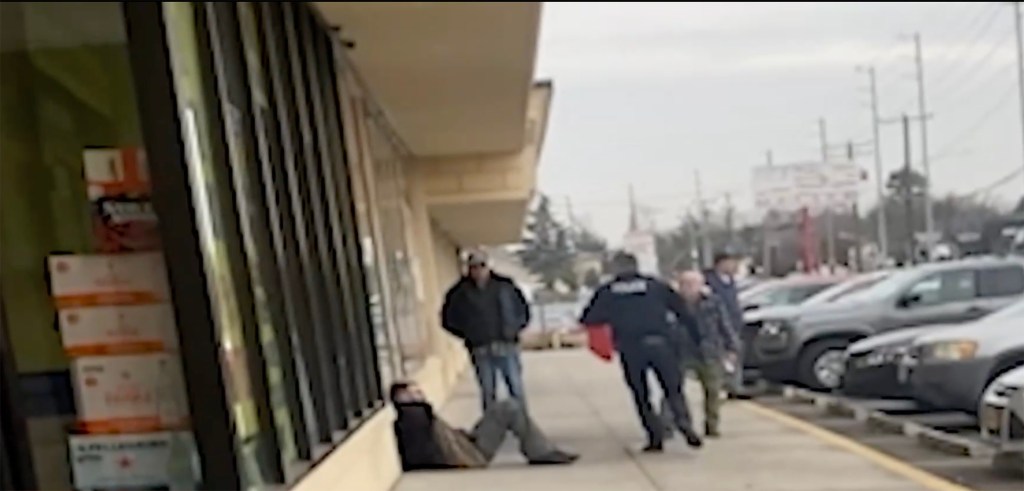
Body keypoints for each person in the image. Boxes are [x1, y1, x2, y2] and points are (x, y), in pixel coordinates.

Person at [579, 252, 704, 452]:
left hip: (630, 348)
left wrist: (614, 319)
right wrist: (697, 340)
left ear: (616, 268)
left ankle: (654, 436)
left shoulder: (607, 291)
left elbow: (589, 318)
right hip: (661, 343)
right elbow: (683, 312)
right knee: (673, 389)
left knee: (640, 394)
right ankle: (684, 424)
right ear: (636, 266)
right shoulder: (655, 286)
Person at [390, 381, 578, 470]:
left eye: (419, 391)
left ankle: (542, 450)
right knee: (508, 408)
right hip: (471, 454)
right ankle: (541, 452)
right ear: (401, 399)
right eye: (412, 393)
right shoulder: (414, 416)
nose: (420, 395)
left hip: (466, 444)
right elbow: (426, 454)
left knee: (504, 407)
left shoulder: (417, 414)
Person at [441, 250, 531, 411]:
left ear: (488, 266)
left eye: (482, 266)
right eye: (474, 267)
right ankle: (492, 429)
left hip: (507, 344)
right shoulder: (459, 292)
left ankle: (523, 425)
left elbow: (523, 310)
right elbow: (448, 319)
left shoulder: (505, 286)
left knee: (516, 388)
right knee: (488, 392)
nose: (478, 270)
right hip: (480, 347)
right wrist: (468, 334)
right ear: (468, 269)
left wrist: (515, 329)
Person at [660, 270, 740, 438]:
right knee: (672, 389)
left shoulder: (713, 302)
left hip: (709, 351)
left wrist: (731, 347)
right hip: (679, 351)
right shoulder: (671, 304)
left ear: (701, 285)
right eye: (685, 284)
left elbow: (724, 324)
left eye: (693, 284)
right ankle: (667, 425)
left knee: (713, 390)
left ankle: (712, 425)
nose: (689, 288)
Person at [704, 248, 746, 398]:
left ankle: (735, 387)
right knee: (719, 358)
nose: (734, 266)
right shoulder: (708, 281)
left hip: (733, 324)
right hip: (716, 327)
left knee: (735, 354)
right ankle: (720, 388)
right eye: (731, 262)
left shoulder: (731, 282)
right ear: (721, 263)